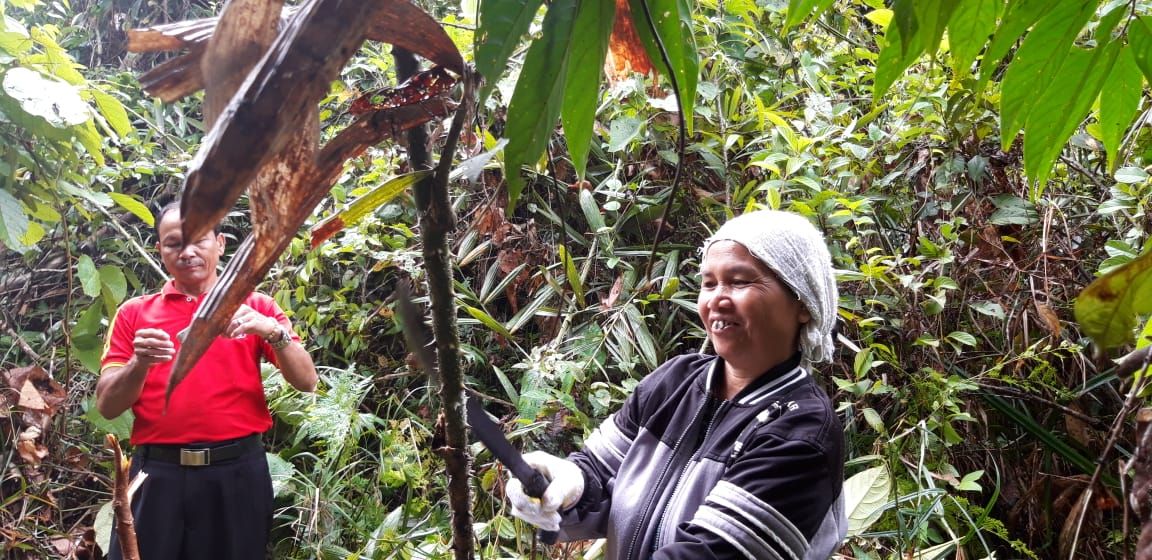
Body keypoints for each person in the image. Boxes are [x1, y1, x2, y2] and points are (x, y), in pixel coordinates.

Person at [505, 209, 846, 559]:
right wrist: (565, 484)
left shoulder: (802, 432)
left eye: (740, 281)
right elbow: (601, 474)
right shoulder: (675, 382)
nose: (716, 299)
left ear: (803, 302)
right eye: (709, 283)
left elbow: (712, 554)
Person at [96, 200, 318, 560]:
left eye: (199, 239)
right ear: (160, 251)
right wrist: (140, 362)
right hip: (156, 475)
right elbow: (107, 406)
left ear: (220, 243)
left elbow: (307, 381)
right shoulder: (135, 314)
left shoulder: (256, 308)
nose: (187, 252)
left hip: (236, 475)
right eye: (173, 243)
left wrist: (273, 332)